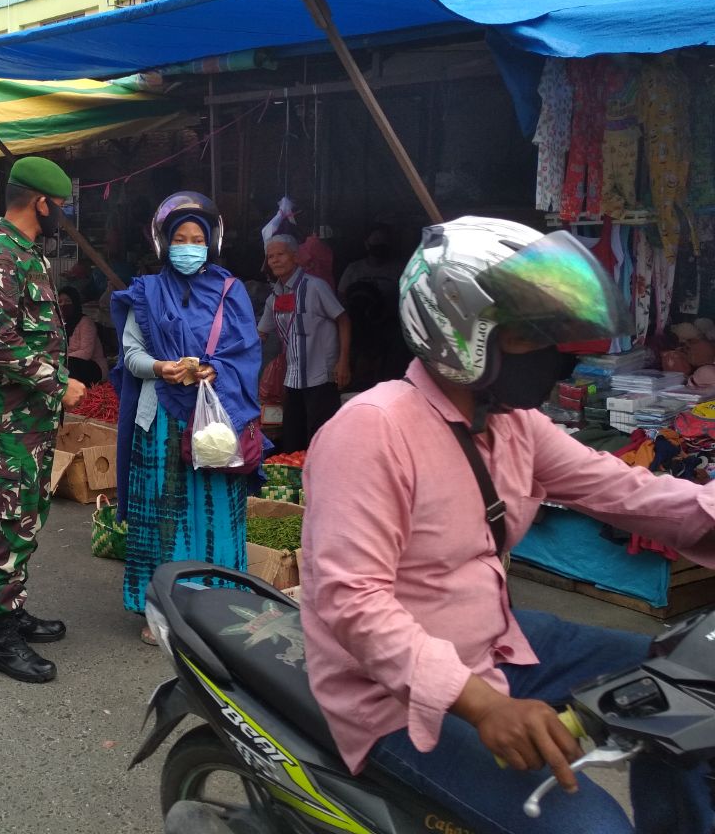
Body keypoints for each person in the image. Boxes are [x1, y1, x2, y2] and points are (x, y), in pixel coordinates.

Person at [301, 216, 715, 834]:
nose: (548, 355)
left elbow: (627, 491)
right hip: (392, 695)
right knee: (590, 829)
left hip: (501, 643)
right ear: (460, 334)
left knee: (694, 694)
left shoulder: (515, 423)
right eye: (527, 336)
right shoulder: (372, 430)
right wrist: (484, 704)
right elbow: (351, 601)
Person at [112, 192, 262, 640]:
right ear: (164, 242)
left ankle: (220, 605)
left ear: (210, 242)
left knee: (215, 512)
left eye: (197, 237)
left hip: (215, 423)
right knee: (163, 513)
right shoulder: (147, 291)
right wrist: (162, 368)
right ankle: (160, 610)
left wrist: (218, 369)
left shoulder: (232, 293)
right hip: (159, 423)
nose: (189, 245)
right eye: (180, 237)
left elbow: (247, 352)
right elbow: (130, 354)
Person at [0, 156, 86, 684]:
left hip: (32, 419)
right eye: (59, 206)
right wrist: (61, 383)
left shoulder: (27, 253)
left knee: (28, 516)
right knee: (7, 517)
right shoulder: (0, 256)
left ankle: (12, 608)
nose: (62, 214)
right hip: (8, 420)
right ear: (40, 202)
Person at [259, 234, 351, 453]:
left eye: (280, 254)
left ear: (295, 257)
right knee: (292, 440)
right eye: (270, 257)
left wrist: (343, 362)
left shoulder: (315, 286)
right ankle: (296, 485)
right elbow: (260, 334)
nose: (275, 261)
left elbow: (344, 319)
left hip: (321, 375)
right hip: (293, 378)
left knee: (321, 439)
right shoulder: (274, 297)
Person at [338, 223, 404, 305]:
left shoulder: (399, 270)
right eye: (376, 240)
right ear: (367, 244)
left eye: (384, 240)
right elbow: (341, 296)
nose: (380, 244)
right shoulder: (353, 269)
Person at [59, 285, 107, 386]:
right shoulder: (58, 324)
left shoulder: (85, 322)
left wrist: (62, 359)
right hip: (68, 364)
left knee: (69, 365)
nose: (64, 305)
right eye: (60, 302)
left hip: (92, 366)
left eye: (68, 301)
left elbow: (86, 353)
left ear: (75, 302)